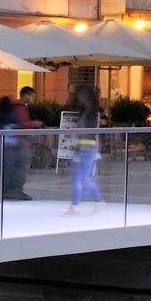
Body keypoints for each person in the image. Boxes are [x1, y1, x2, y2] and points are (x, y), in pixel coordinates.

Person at [62, 82, 103, 214]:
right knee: (78, 178)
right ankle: (76, 205)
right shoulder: (84, 112)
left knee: (83, 178)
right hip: (82, 148)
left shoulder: (91, 113)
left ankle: (96, 202)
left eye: (82, 94)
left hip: (87, 148)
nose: (80, 97)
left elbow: (88, 132)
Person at [0, 87, 34, 201]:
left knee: (10, 167)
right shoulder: (20, 107)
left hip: (10, 141)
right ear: (25, 95)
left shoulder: (13, 107)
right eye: (31, 95)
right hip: (19, 140)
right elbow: (23, 124)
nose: (32, 98)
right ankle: (16, 191)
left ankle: (7, 191)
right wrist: (33, 124)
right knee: (21, 166)